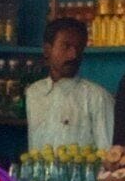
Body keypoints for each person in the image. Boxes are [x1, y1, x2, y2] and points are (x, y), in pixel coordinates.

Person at [23, 16, 114, 164]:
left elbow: (108, 156)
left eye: (78, 48)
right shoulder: (34, 93)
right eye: (66, 46)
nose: (73, 55)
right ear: (47, 50)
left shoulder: (97, 97)